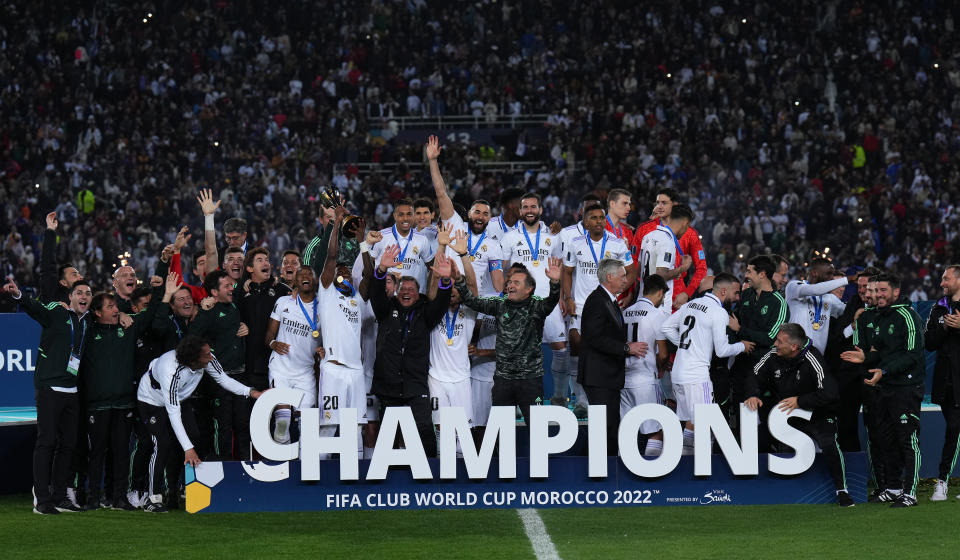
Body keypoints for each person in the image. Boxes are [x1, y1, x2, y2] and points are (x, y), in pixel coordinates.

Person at [135, 336, 263, 512]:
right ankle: (153, 497)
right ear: (194, 359)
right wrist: (188, 449)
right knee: (163, 444)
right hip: (152, 401)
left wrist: (251, 392)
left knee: (193, 437)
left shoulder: (207, 359)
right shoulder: (170, 370)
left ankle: (179, 487)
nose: (211, 357)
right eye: (206, 355)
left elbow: (223, 379)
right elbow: (173, 412)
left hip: (180, 399)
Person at [79, 274, 174, 510]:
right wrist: (121, 312)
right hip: (97, 403)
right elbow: (77, 313)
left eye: (115, 306)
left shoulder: (129, 329)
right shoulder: (88, 332)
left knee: (121, 452)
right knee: (97, 453)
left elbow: (149, 312)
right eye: (109, 307)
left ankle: (119, 497)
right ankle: (93, 497)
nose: (114, 310)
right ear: (98, 312)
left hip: (123, 402)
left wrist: (164, 289)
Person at [3, 277, 92, 514]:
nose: (84, 296)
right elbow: (35, 308)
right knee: (46, 442)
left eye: (88, 293)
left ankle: (60, 496)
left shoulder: (88, 321)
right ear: (70, 297)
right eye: (80, 293)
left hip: (72, 391)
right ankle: (41, 499)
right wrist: (19, 295)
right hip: (50, 388)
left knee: (68, 445)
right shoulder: (56, 312)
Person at [840, 273, 925, 507]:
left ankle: (911, 492)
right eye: (874, 291)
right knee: (886, 440)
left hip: (905, 388)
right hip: (883, 387)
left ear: (896, 292)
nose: (876, 295)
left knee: (908, 440)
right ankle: (894, 487)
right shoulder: (878, 317)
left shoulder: (908, 316)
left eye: (882, 291)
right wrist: (866, 357)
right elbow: (880, 353)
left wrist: (883, 370)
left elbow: (912, 355)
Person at [745, 323, 852, 507]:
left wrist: (800, 401)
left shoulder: (812, 358)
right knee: (774, 443)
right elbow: (753, 375)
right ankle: (786, 493)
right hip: (788, 417)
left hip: (818, 413)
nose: (775, 344)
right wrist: (753, 393)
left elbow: (830, 393)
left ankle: (842, 490)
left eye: (779, 341)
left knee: (829, 443)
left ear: (794, 347)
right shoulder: (773, 355)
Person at [456, 257, 562, 424]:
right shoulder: (500, 304)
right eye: (509, 282)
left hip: (530, 380)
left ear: (529, 289)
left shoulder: (537, 306)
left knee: (537, 430)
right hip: (503, 381)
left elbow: (552, 301)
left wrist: (555, 283)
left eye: (516, 283)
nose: (510, 285)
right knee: (501, 431)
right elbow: (471, 301)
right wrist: (459, 280)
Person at [369, 245, 453, 457]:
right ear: (397, 293)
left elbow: (442, 303)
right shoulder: (385, 310)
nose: (406, 292)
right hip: (388, 386)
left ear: (418, 294)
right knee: (389, 438)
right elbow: (376, 295)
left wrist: (444, 282)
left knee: (424, 431)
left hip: (416, 386)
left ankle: (432, 474)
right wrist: (380, 271)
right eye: (403, 290)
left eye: (411, 290)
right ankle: (387, 480)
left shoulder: (426, 314)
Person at [660, 273, 755, 454]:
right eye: (735, 293)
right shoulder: (718, 312)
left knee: (690, 423)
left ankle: (685, 466)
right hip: (697, 377)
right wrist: (741, 346)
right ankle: (703, 473)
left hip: (679, 375)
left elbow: (665, 327)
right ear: (723, 291)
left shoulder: (690, 304)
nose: (737, 297)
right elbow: (722, 350)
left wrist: (684, 345)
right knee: (707, 426)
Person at [562, 204, 635, 416]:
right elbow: (567, 272)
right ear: (585, 222)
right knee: (577, 345)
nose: (599, 221)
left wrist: (623, 292)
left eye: (601, 218)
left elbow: (631, 271)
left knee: (603, 345)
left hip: (607, 302)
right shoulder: (575, 243)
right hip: (582, 303)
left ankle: (601, 396)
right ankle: (582, 400)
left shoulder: (617, 243)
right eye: (593, 218)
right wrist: (568, 297)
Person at [500, 192, 569, 407]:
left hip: (549, 300)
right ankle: (517, 403)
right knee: (518, 350)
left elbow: (560, 268)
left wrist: (563, 297)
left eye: (533, 207)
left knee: (560, 347)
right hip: (521, 302)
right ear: (520, 211)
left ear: (540, 210)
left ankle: (559, 396)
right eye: (525, 207)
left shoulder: (552, 238)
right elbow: (504, 270)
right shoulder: (509, 237)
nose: (529, 210)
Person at [577, 259, 649, 455]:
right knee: (605, 428)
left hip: (606, 375)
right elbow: (594, 338)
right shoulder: (597, 301)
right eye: (622, 276)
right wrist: (626, 347)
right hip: (599, 376)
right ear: (610, 277)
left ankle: (606, 470)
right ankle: (600, 472)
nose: (626, 280)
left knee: (609, 426)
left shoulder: (607, 300)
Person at [316, 205, 371, 456]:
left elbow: (369, 274)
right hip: (334, 368)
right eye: (340, 270)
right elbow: (330, 258)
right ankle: (317, 481)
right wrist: (336, 223)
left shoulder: (357, 299)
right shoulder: (327, 293)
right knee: (328, 427)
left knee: (356, 427)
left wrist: (363, 243)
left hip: (356, 371)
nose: (345, 271)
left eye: (348, 269)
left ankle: (356, 478)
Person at [426, 135, 505, 297]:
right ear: (468, 214)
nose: (480, 217)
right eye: (477, 212)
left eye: (485, 214)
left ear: (490, 218)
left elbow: (498, 285)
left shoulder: (494, 245)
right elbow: (441, 193)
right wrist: (433, 161)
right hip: (447, 294)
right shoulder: (455, 224)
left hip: (475, 304)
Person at [189, 269, 249, 459]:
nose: (231, 289)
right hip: (218, 379)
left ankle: (244, 469)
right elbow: (191, 338)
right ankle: (222, 469)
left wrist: (246, 328)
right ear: (214, 292)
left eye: (231, 285)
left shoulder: (234, 307)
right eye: (226, 286)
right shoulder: (208, 312)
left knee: (242, 424)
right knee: (222, 426)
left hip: (239, 374)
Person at [729, 255, 790, 420]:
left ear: (762, 274)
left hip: (763, 369)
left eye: (749, 271)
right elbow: (732, 322)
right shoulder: (746, 295)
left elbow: (771, 338)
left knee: (759, 418)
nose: (746, 275)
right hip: (740, 364)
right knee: (737, 411)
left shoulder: (779, 304)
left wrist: (741, 330)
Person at [828, 266, 881, 452]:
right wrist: (853, 324)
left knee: (876, 423)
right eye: (859, 286)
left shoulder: (886, 309)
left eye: (865, 286)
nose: (861, 291)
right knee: (846, 422)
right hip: (849, 374)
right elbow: (837, 338)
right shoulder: (853, 303)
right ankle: (850, 469)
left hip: (874, 373)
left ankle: (879, 472)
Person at [621, 275, 671, 456]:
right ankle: (653, 473)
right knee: (655, 431)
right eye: (663, 296)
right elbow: (663, 353)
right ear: (660, 293)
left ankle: (623, 476)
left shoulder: (625, 312)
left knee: (626, 432)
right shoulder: (658, 315)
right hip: (645, 379)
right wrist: (661, 366)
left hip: (624, 379)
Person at [634, 187, 708, 309]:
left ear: (675, 205)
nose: (659, 206)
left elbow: (702, 268)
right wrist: (630, 293)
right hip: (646, 294)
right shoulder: (644, 229)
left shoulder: (689, 233)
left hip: (676, 298)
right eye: (657, 203)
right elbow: (635, 263)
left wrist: (687, 293)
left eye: (664, 203)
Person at [925, 265, 960, 501]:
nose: (941, 283)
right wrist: (945, 327)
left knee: (954, 429)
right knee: (953, 430)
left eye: (946, 278)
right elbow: (929, 342)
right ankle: (943, 481)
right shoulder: (939, 308)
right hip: (946, 382)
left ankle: (942, 480)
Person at [368, 198, 437, 295]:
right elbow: (368, 265)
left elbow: (433, 268)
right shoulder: (381, 237)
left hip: (413, 298)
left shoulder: (422, 239)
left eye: (409, 214)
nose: (405, 218)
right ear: (395, 216)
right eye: (401, 214)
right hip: (386, 296)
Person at [637, 204, 695, 309]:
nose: (686, 231)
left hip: (642, 300)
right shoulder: (667, 241)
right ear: (685, 223)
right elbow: (660, 275)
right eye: (687, 227)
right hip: (658, 306)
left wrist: (673, 271)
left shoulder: (649, 236)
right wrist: (683, 268)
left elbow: (640, 269)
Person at [784, 258, 848, 353]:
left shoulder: (830, 298)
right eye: (828, 273)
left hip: (817, 357)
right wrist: (847, 279)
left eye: (833, 274)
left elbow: (848, 310)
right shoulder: (794, 286)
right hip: (793, 353)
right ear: (814, 273)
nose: (832, 277)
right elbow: (814, 290)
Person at [39, 211, 83, 305]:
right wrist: (50, 230)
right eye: (74, 275)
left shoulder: (87, 302)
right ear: (63, 282)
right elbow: (48, 264)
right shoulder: (53, 296)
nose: (80, 277)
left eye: (79, 274)